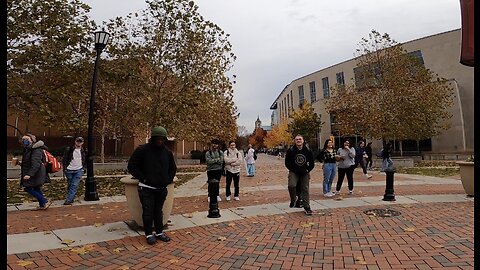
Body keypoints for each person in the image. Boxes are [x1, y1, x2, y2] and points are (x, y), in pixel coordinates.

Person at [127, 126, 176, 245]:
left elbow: (172, 168)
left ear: (165, 140)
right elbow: (132, 166)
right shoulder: (142, 150)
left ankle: (159, 232)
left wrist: (167, 180)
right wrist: (143, 177)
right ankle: (149, 234)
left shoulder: (167, 153)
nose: (160, 141)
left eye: (162, 139)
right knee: (148, 211)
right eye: (157, 139)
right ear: (153, 138)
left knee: (158, 211)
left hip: (161, 188)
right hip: (146, 188)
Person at [19, 133, 52, 210]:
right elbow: (29, 163)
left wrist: (29, 174)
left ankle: (45, 201)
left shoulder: (35, 149)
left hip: (36, 173)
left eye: (27, 139)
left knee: (27, 188)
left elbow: (36, 163)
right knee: (36, 188)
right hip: (34, 172)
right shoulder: (28, 149)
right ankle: (42, 205)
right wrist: (19, 163)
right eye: (23, 139)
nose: (24, 141)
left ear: (32, 140)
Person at [285, 134, 315, 215]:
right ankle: (294, 199)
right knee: (291, 185)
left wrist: (308, 170)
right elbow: (287, 162)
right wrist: (293, 169)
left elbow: (312, 162)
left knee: (305, 188)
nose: (298, 141)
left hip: (304, 172)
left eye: (300, 139)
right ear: (294, 141)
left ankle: (307, 206)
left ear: (303, 140)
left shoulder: (308, 150)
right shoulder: (291, 150)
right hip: (294, 172)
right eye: (297, 139)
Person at [61, 136, 86, 205]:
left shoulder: (83, 151)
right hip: (69, 170)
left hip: (79, 170)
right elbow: (64, 159)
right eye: (78, 141)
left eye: (80, 142)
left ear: (82, 143)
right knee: (70, 184)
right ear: (75, 142)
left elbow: (85, 160)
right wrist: (65, 168)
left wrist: (84, 168)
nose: (79, 143)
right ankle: (71, 197)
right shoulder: (69, 149)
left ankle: (69, 199)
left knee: (74, 185)